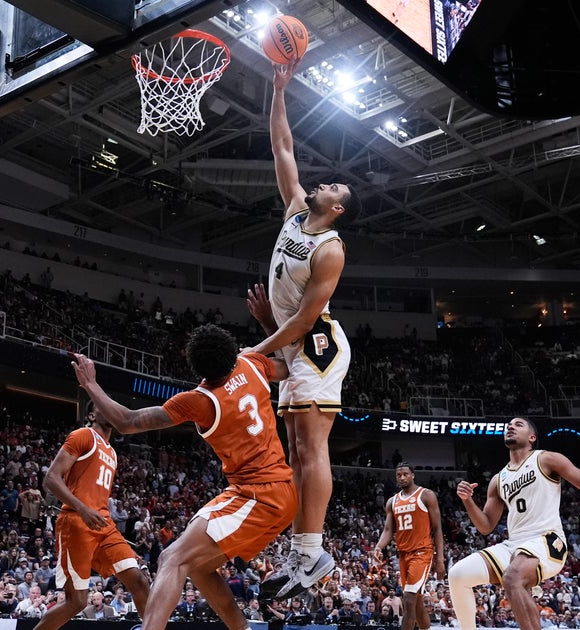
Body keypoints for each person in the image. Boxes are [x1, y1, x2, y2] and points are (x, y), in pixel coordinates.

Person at [70, 323, 297, 630]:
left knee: (171, 558)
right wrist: (269, 323)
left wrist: (90, 385)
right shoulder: (252, 363)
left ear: (195, 365)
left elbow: (127, 421)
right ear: (231, 351)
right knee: (199, 568)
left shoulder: (200, 400)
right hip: (273, 489)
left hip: (259, 495)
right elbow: (289, 365)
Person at [248, 57, 361, 601]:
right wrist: (279, 91)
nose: (323, 181)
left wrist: (258, 346)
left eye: (333, 185)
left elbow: (307, 318)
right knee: (297, 450)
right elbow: (283, 147)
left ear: (336, 208)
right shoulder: (296, 212)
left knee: (312, 450)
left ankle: (312, 552)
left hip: (316, 345)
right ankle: (301, 553)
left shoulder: (330, 248)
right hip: (293, 348)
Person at [447, 417, 580, 630]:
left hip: (547, 539)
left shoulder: (546, 459)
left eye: (518, 425)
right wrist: (468, 501)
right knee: (457, 575)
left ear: (532, 438)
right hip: (515, 544)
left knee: (512, 577)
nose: (510, 427)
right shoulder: (499, 479)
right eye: (509, 425)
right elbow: (486, 526)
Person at [32, 410, 151, 630]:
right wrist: (82, 508)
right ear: (92, 415)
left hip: (104, 525)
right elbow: (51, 478)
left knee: (140, 582)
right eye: (102, 406)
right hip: (76, 521)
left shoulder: (113, 453)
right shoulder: (83, 435)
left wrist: (123, 545)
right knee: (76, 602)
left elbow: (98, 498)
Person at [373, 462, 444, 630]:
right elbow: (388, 529)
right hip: (403, 555)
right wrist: (378, 547)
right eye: (399, 475)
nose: (402, 477)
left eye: (405, 474)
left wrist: (440, 558)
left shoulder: (426, 495)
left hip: (422, 553)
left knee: (408, 599)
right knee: (417, 602)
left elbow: (437, 529)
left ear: (413, 475)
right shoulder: (392, 501)